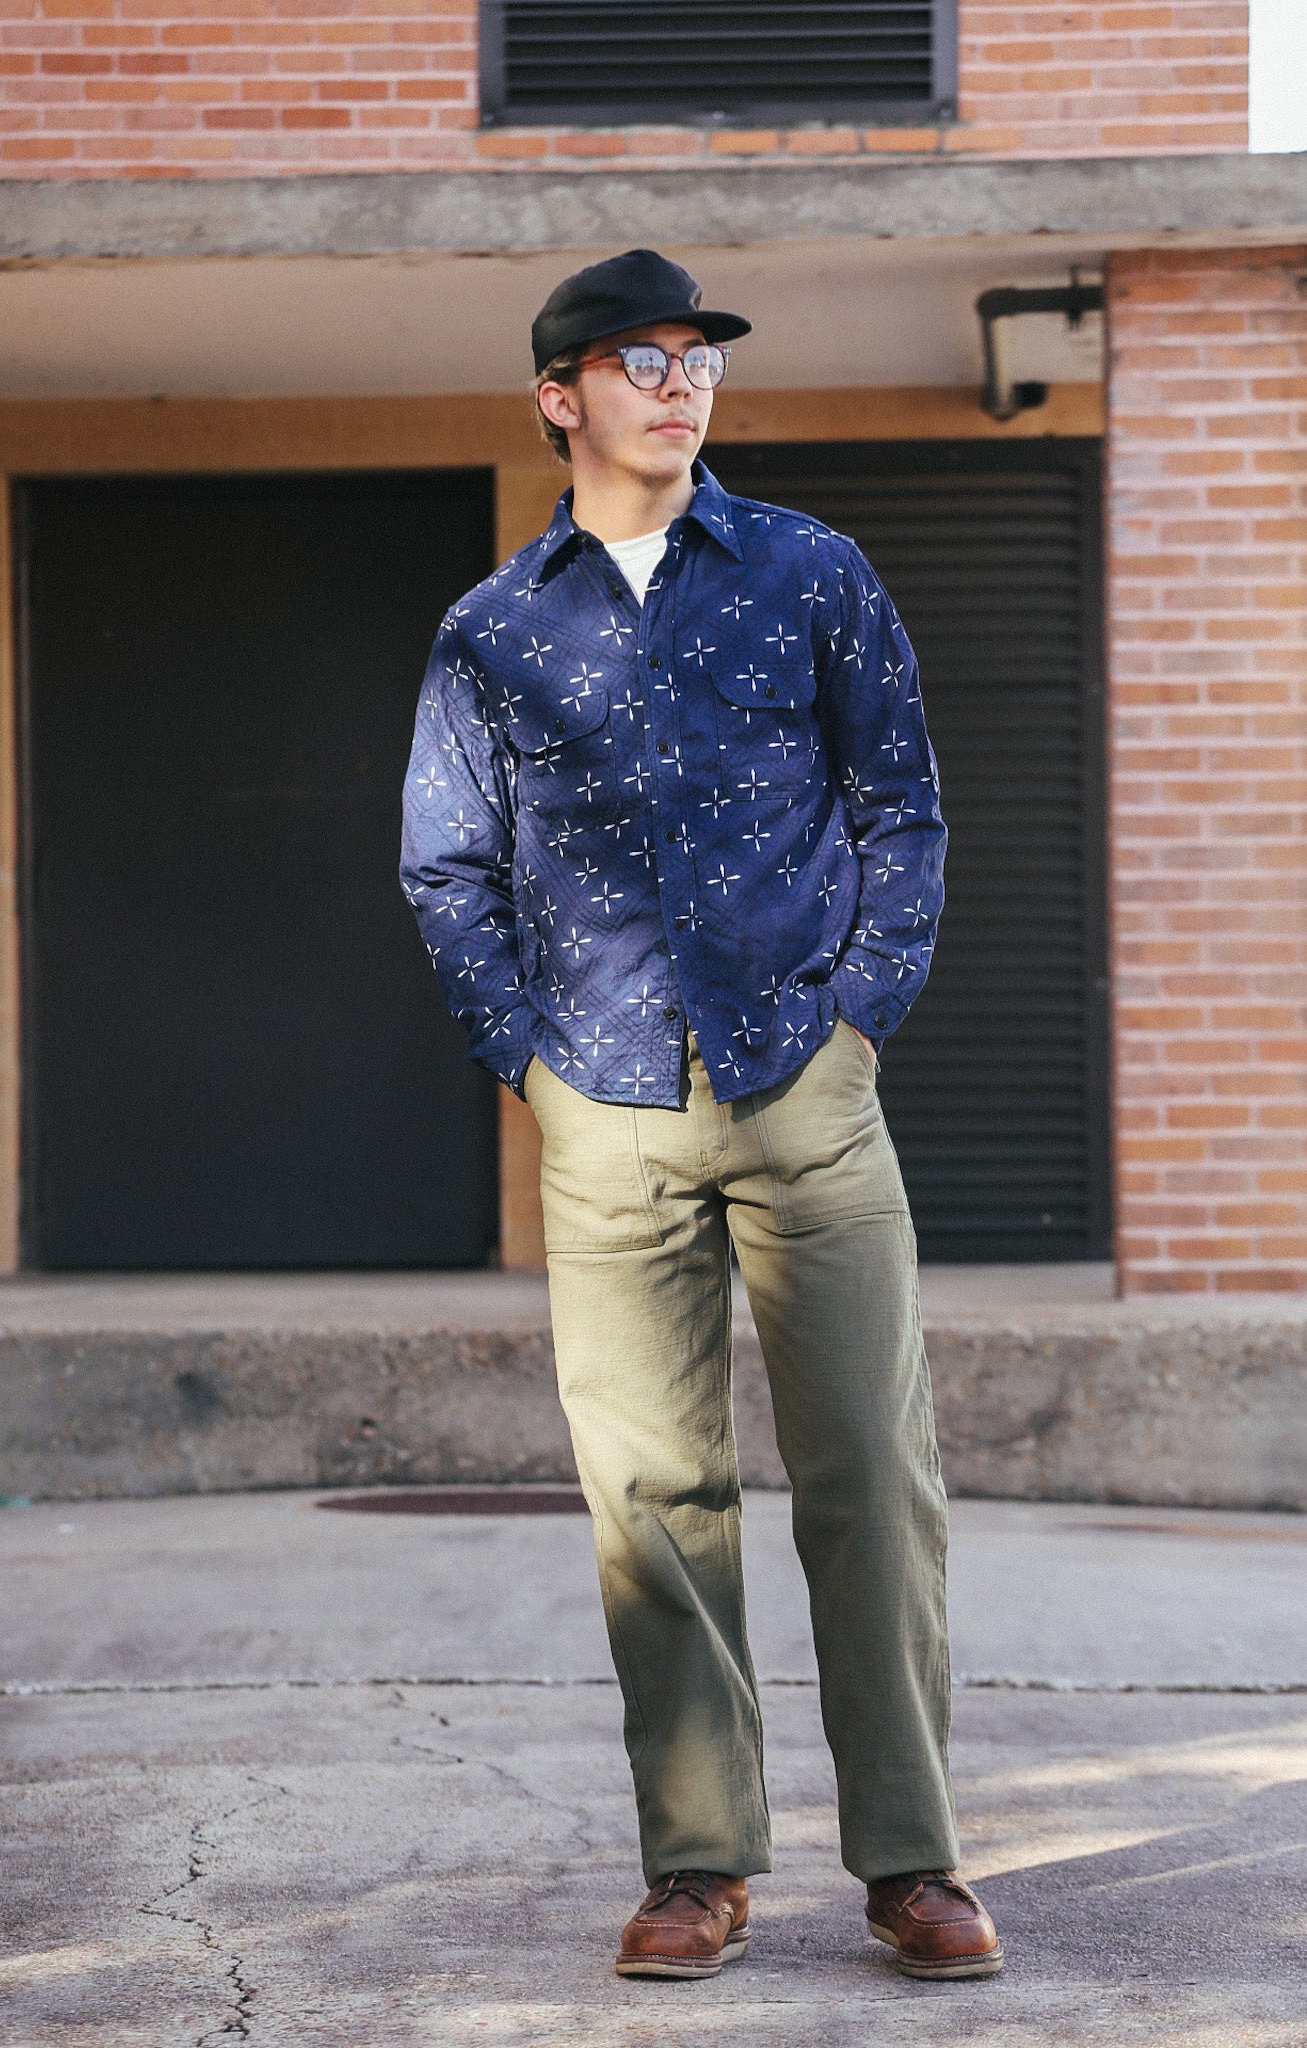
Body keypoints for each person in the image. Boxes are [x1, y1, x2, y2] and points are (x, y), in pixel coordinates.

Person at [400, 248, 1002, 1984]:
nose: (679, 385)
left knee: (870, 1477)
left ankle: (910, 1864)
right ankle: (698, 1867)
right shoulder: (492, 628)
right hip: (600, 1105)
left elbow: (902, 803)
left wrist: (859, 1018)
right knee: (651, 1501)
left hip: (802, 1090)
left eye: (701, 361)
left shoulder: (810, 572)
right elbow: (447, 866)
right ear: (558, 393)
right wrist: (523, 1063)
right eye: (640, 359)